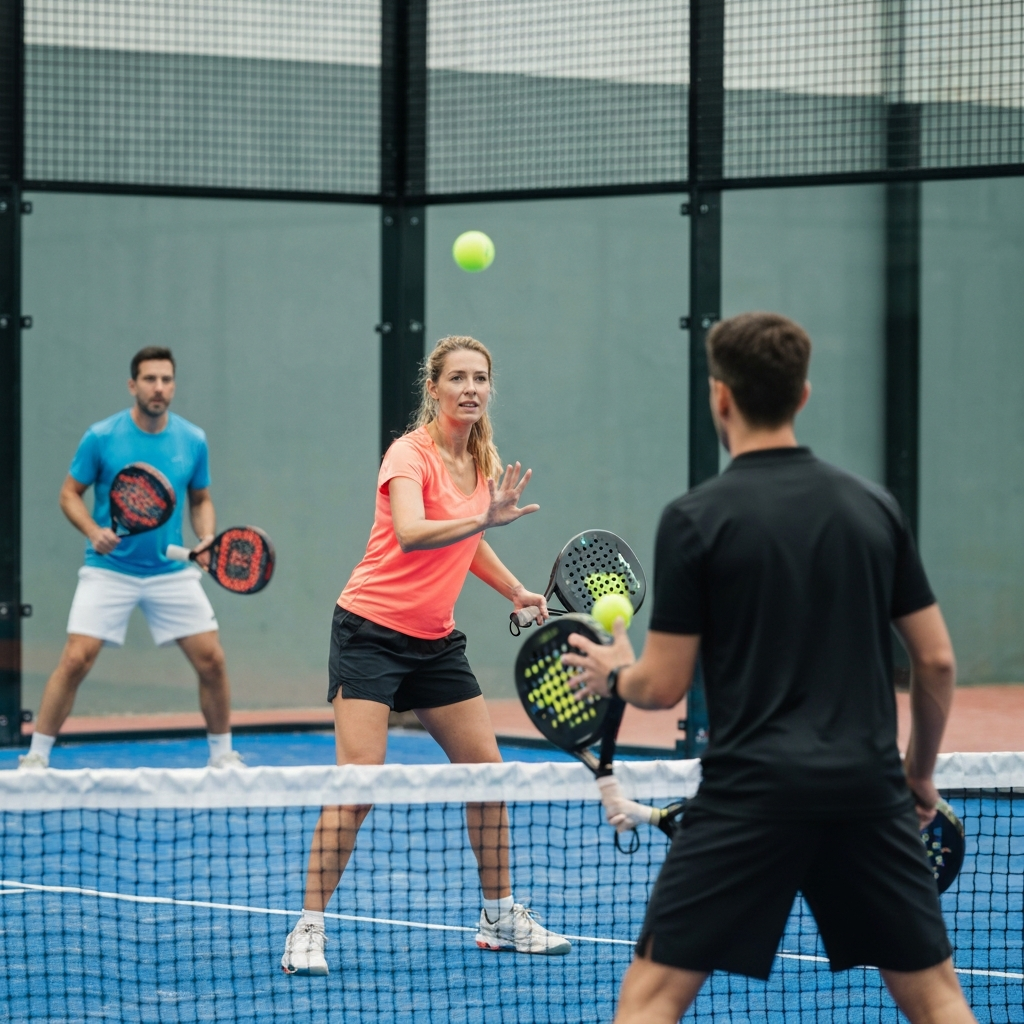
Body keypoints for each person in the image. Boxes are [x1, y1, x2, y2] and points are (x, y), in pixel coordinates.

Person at [564, 313, 976, 1024]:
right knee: (937, 997)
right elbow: (936, 660)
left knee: (651, 997)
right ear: (804, 394)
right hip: (868, 793)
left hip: (750, 794)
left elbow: (661, 686)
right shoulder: (874, 508)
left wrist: (614, 673)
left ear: (720, 397)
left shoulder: (696, 517)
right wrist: (918, 774)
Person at [281, 335, 571, 976]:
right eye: (458, 378)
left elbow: (467, 546)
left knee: (487, 776)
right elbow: (413, 533)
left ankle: (498, 917)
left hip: (435, 640)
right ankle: (307, 929)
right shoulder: (407, 454)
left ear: (489, 389)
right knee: (359, 785)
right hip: (370, 632)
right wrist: (484, 520)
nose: (470, 388)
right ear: (434, 388)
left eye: (480, 378)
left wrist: (517, 587)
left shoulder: (481, 460)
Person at [19, 347, 243, 770]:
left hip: (171, 570)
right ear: (132, 385)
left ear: (173, 385)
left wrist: (208, 536)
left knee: (212, 660)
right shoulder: (101, 437)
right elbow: (69, 493)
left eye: (166, 380)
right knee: (75, 659)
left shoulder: (192, 439)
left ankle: (222, 756)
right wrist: (92, 530)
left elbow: (201, 498)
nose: (159, 388)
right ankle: (36, 757)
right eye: (150, 379)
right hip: (110, 570)